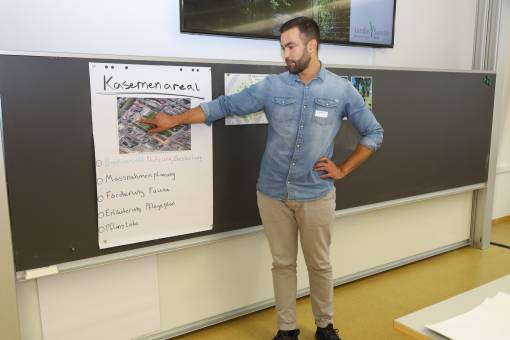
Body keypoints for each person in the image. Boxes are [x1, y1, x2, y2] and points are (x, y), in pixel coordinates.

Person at [142, 16, 383, 340]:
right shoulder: (273, 87)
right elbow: (223, 106)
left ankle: (325, 326)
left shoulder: (341, 90)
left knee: (320, 265)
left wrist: (343, 168)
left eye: (291, 46)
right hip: (271, 194)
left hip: (316, 194)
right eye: (283, 47)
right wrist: (174, 120)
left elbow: (373, 132)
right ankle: (287, 330)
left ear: (312, 45)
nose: (285, 55)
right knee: (282, 264)